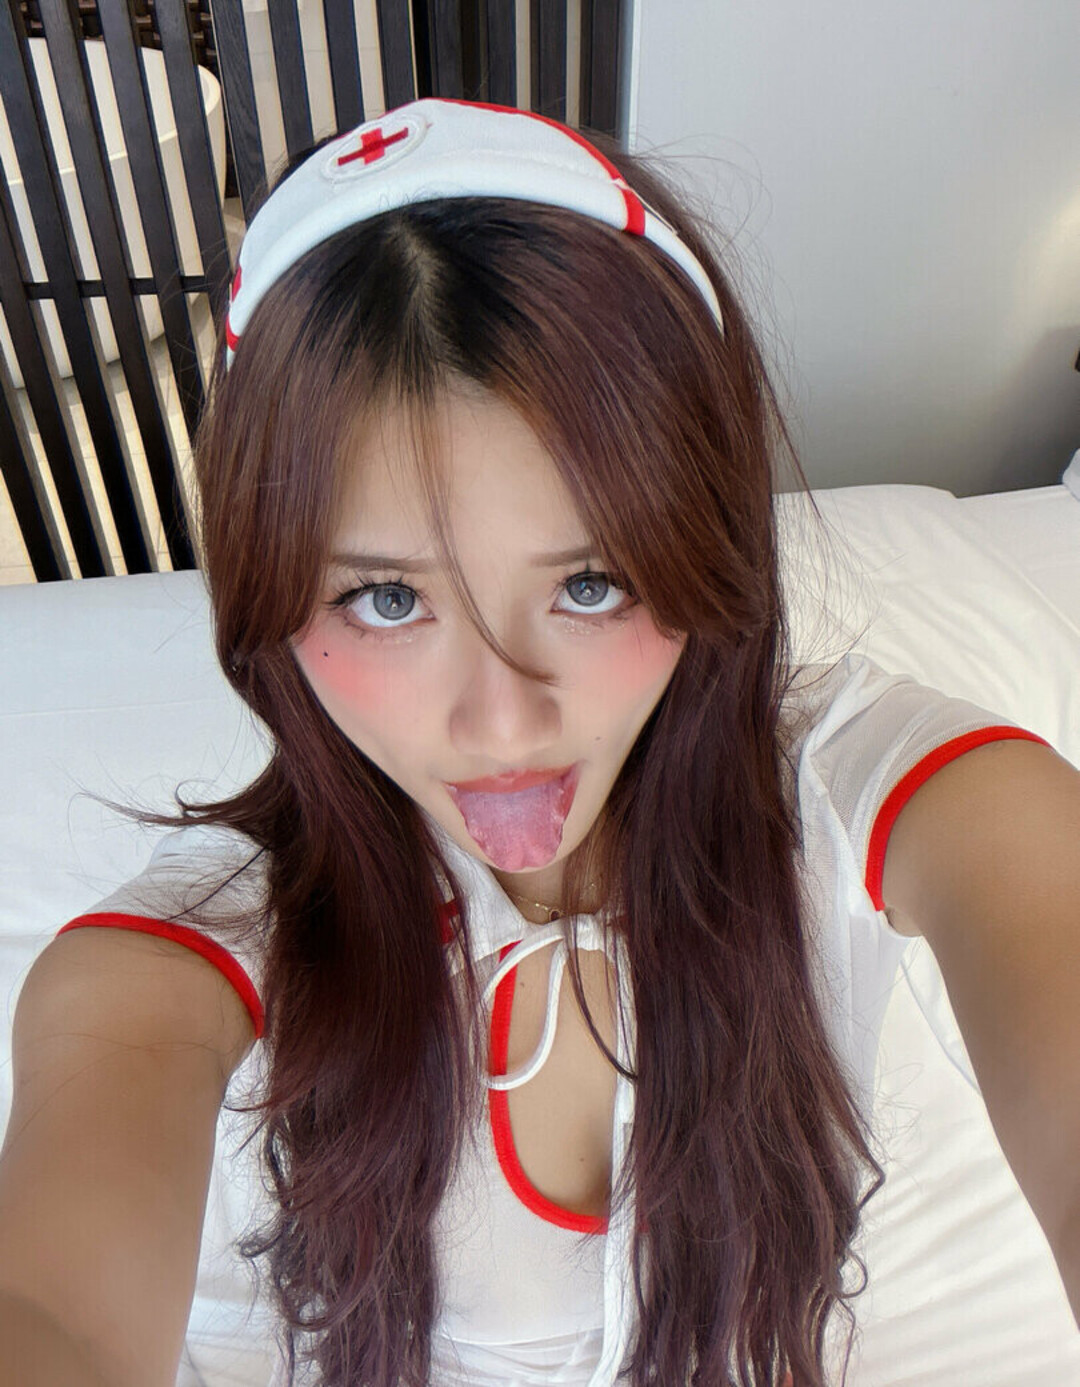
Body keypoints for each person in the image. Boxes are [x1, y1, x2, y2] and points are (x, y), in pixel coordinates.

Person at [1, 98, 1077, 1387]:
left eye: (591, 583)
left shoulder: (877, 794)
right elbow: (51, 1314)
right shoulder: (168, 969)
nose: (503, 725)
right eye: (385, 599)